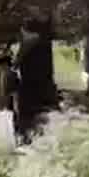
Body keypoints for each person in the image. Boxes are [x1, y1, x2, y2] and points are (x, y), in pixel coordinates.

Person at [7, 18, 60, 146]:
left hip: (32, 90)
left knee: (28, 124)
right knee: (41, 124)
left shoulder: (31, 45)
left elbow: (15, 65)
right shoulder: (44, 43)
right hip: (43, 89)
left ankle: (27, 145)